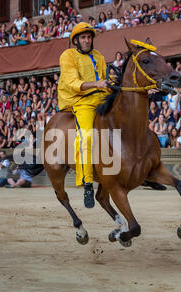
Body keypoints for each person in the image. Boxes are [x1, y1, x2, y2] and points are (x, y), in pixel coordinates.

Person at [57, 22, 109, 208]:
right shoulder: (68, 55)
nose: (87, 40)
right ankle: (87, 183)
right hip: (82, 102)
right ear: (76, 41)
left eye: (89, 37)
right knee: (86, 137)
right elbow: (73, 83)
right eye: (83, 37)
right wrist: (97, 85)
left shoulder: (99, 56)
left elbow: (105, 80)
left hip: (102, 98)